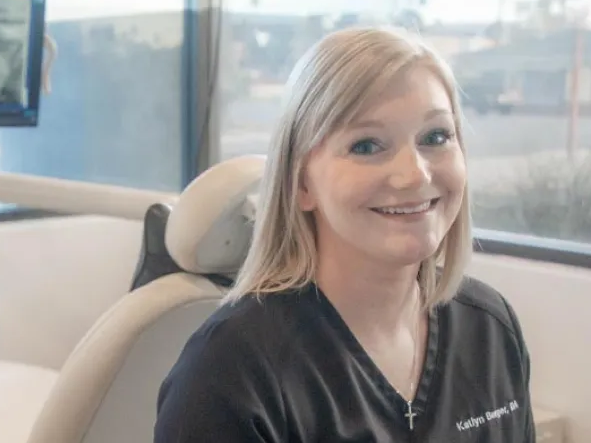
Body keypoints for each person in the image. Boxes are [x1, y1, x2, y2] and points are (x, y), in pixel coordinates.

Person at [154, 26, 536, 442]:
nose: (414, 175)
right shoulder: (231, 371)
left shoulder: (489, 328)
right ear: (301, 184)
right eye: (367, 146)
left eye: (436, 137)